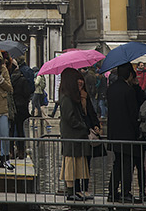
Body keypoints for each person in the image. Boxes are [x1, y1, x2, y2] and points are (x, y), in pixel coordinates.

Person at [106, 63, 143, 204]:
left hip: (114, 133)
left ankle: (112, 191)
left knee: (117, 163)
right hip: (127, 133)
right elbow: (133, 113)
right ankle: (125, 192)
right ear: (129, 75)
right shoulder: (128, 91)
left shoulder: (111, 89)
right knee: (127, 163)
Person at [58, 68, 92, 202]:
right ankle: (71, 191)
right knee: (71, 165)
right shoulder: (66, 97)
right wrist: (82, 126)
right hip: (72, 135)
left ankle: (76, 191)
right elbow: (70, 117)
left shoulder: (72, 96)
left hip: (77, 135)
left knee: (77, 164)